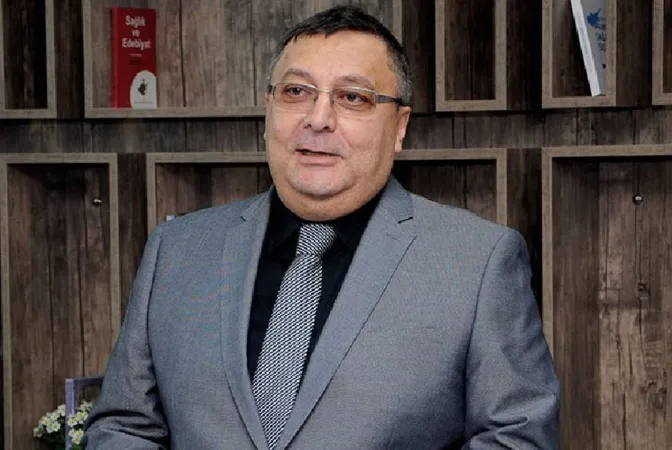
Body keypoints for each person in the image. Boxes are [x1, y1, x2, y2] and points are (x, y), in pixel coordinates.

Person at [83, 5, 560, 449]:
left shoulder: (476, 262)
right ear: (268, 111)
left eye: (352, 98)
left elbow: (517, 437)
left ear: (399, 127)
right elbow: (125, 427)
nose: (318, 119)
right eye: (296, 92)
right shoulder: (176, 251)